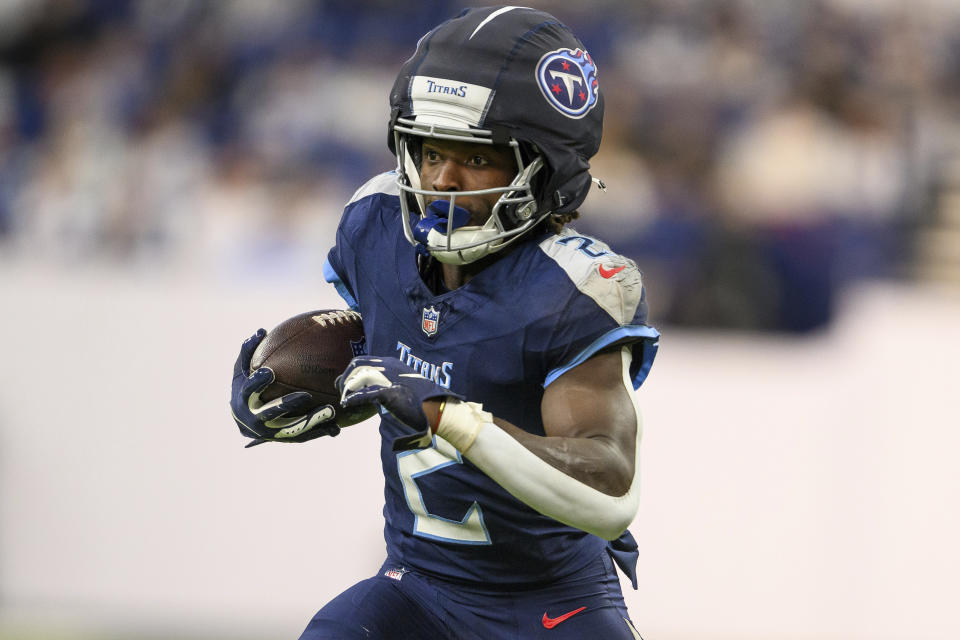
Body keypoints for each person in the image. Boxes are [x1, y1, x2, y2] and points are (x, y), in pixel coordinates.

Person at [230, 7, 659, 639]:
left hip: (550, 611)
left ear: (546, 170)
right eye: (430, 153)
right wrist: (307, 390)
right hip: (417, 592)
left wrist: (451, 418)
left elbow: (611, 493)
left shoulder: (574, 290)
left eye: (475, 159)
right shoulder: (375, 225)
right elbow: (390, 348)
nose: (441, 182)